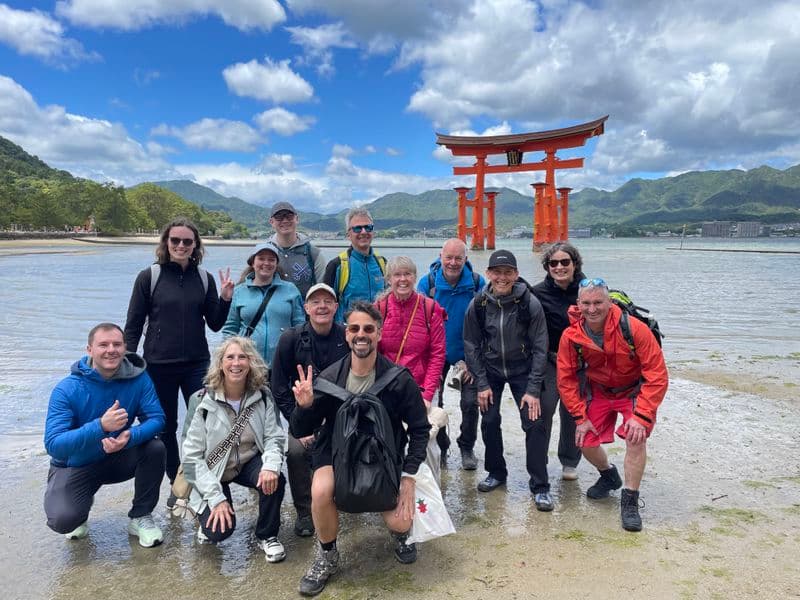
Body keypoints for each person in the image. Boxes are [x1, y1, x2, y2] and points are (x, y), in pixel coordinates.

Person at [290, 301, 430, 597]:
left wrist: (409, 476)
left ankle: (400, 536)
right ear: (346, 334)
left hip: (383, 453)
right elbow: (301, 430)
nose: (361, 334)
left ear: (379, 334)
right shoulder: (328, 379)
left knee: (401, 520)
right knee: (320, 490)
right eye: (354, 328)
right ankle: (327, 554)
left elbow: (419, 430)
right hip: (337, 452)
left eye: (368, 329)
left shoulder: (399, 379)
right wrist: (304, 407)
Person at [124, 217, 233, 504]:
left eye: (187, 241)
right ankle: (177, 484)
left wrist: (224, 299)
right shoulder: (149, 277)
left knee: (205, 423)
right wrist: (127, 362)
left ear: (196, 244)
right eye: (175, 240)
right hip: (158, 365)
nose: (181, 246)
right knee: (165, 427)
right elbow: (133, 324)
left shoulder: (204, 278)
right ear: (166, 243)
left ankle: (203, 479)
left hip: (197, 363)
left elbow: (215, 324)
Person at [557, 278, 668, 532]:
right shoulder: (571, 336)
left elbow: (657, 373)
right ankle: (608, 474)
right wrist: (579, 416)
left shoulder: (634, 328)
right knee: (583, 440)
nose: (592, 309)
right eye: (586, 303)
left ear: (609, 302)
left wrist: (642, 415)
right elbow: (566, 379)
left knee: (636, 437)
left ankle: (629, 500)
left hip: (633, 391)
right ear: (578, 304)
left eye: (598, 302)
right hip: (599, 390)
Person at [44, 323, 166, 547]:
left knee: (155, 448)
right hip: (76, 464)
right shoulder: (67, 389)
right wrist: (100, 425)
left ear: (125, 348)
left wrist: (130, 436)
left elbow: (157, 419)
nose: (111, 350)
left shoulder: (138, 379)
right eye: (103, 345)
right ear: (89, 350)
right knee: (63, 521)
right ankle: (80, 513)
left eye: (117, 344)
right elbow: (54, 445)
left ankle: (140, 516)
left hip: (116, 455)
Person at [181, 337, 287, 560]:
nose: (236, 363)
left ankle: (267, 536)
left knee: (275, 479)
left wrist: (270, 467)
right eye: (230, 357)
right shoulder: (201, 401)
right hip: (212, 470)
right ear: (220, 363)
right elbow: (191, 458)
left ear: (251, 363)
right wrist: (216, 497)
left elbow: (274, 437)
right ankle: (206, 516)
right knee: (219, 532)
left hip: (247, 462)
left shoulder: (264, 397)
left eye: (242, 357)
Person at [463, 250, 553, 511]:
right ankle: (496, 473)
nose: (502, 278)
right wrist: (481, 383)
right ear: (489, 274)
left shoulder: (529, 303)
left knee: (534, 423)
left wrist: (534, 388)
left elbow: (540, 347)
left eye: (508, 272)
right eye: (497, 272)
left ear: (515, 274)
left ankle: (540, 485)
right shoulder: (478, 304)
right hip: (490, 369)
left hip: (522, 370)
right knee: (489, 419)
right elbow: (471, 344)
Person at [270, 283, 349, 538]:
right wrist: (297, 424)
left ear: (336, 307)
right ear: (306, 308)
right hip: (302, 414)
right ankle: (305, 510)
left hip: (339, 414)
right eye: (316, 302)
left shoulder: (347, 337)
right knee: (295, 451)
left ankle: (349, 496)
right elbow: (279, 387)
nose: (322, 306)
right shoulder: (290, 339)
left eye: (328, 301)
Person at [417, 238, 485, 470]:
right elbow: (418, 323)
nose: (453, 263)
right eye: (449, 257)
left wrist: (470, 359)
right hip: (435, 352)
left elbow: (487, 323)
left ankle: (466, 447)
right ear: (440, 257)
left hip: (468, 353)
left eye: (458, 258)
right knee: (436, 402)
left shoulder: (477, 283)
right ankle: (442, 447)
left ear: (466, 259)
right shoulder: (427, 284)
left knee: (469, 402)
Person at [531, 242, 586, 481]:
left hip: (582, 363)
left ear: (575, 264)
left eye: (565, 262)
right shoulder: (537, 292)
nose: (560, 267)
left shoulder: (588, 291)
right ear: (547, 267)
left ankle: (570, 461)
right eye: (554, 263)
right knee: (543, 412)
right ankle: (539, 460)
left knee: (574, 414)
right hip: (550, 361)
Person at [376, 256, 446, 409]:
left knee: (422, 431)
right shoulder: (379, 309)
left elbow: (437, 354)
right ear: (389, 280)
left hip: (420, 386)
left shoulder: (430, 308)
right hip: (387, 388)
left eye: (408, 274)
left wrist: (427, 395)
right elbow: (374, 353)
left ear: (415, 277)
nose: (403, 279)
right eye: (397, 275)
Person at [222, 241, 305, 367]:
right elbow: (230, 328)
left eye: (271, 260)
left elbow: (300, 326)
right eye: (261, 259)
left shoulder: (290, 290)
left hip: (283, 363)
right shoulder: (239, 291)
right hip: (248, 364)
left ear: (276, 264)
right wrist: (227, 359)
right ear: (252, 263)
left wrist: (298, 355)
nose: (266, 263)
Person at [323, 207, 387, 322]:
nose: (363, 232)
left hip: (378, 334)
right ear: (348, 234)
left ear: (373, 231)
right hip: (348, 335)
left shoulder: (382, 263)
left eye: (368, 227)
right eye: (357, 228)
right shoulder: (337, 266)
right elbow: (325, 306)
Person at [267, 201, 327, 298]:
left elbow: (322, 289)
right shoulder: (264, 253)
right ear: (271, 222)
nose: (285, 220)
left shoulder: (314, 253)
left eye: (289, 216)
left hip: (304, 311)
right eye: (279, 217)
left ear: (297, 219)